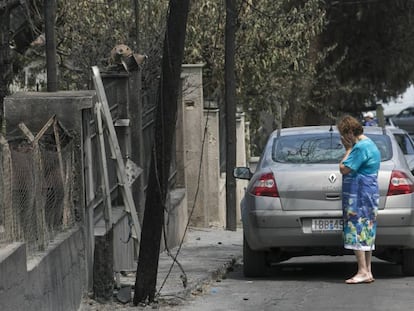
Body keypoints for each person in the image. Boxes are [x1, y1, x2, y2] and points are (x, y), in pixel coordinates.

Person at [337, 115, 381, 284]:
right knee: (367, 229)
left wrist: (347, 149)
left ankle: (362, 270)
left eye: (343, 134)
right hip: (368, 193)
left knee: (357, 228)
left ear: (349, 133)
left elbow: (343, 168)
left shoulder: (360, 148)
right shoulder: (370, 144)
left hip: (359, 195)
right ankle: (367, 270)